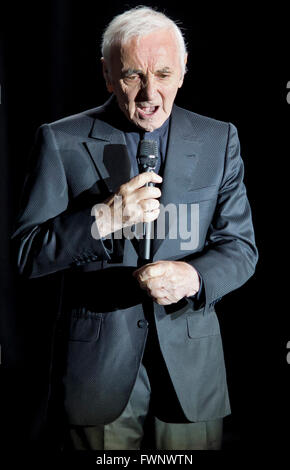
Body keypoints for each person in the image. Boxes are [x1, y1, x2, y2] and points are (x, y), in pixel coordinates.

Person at [12, 6, 258, 450]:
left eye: (163, 74)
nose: (150, 92)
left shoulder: (218, 139)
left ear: (183, 72)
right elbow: (27, 255)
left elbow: (240, 247)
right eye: (132, 76)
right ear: (107, 76)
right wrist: (103, 220)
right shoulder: (60, 140)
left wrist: (194, 277)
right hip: (96, 376)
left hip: (191, 378)